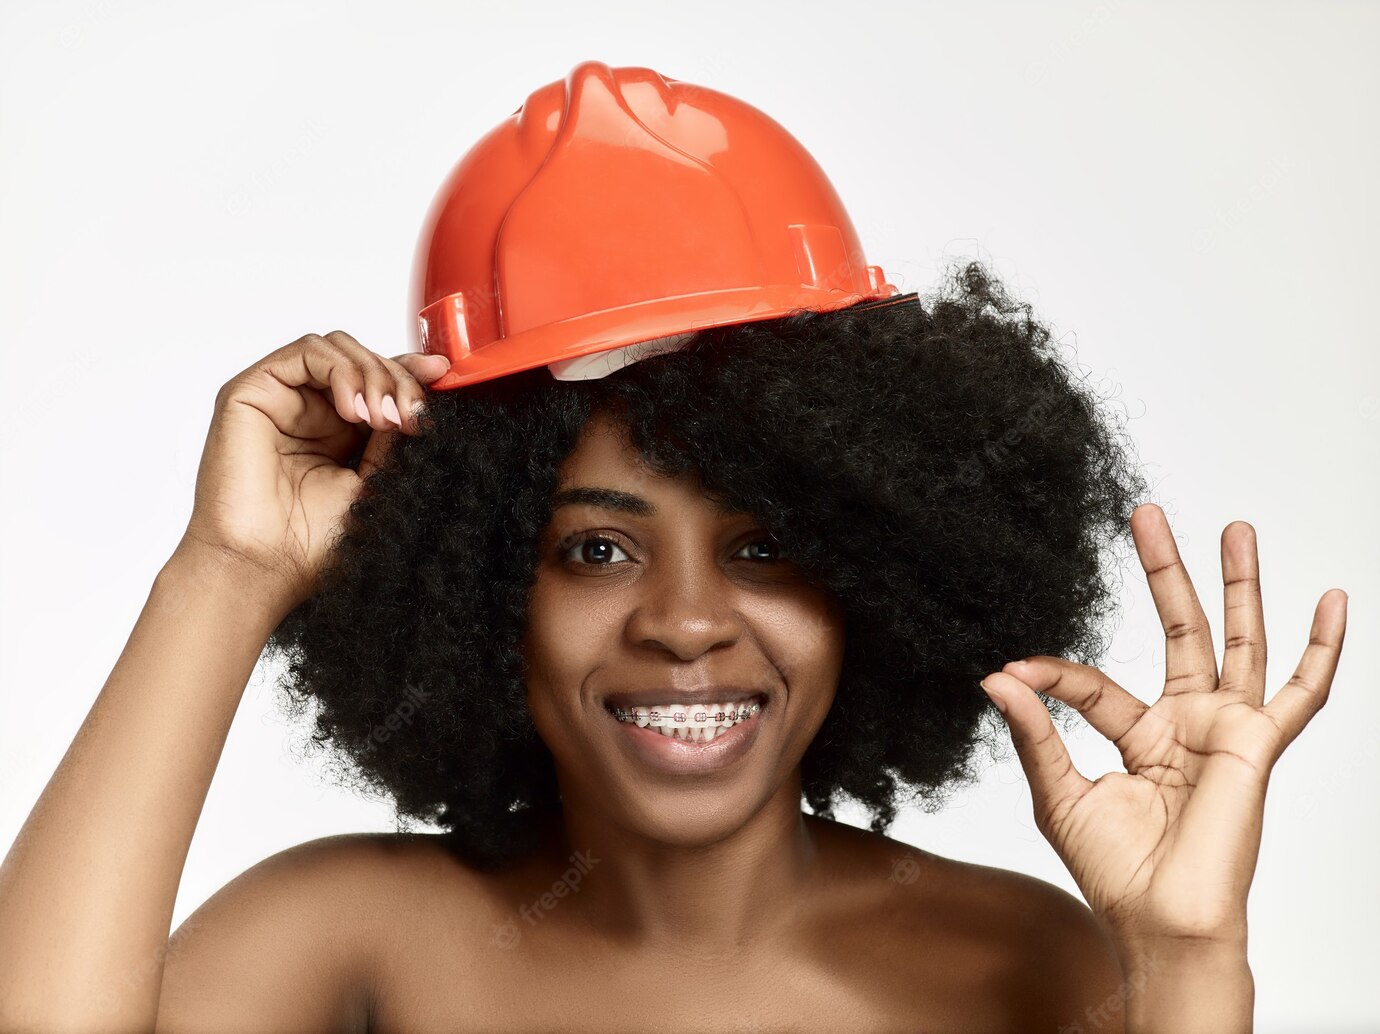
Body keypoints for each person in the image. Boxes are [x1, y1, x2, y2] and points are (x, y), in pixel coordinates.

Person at [0, 63, 1348, 1033]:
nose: (687, 620)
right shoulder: (357, 937)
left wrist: (1185, 963)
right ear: (482, 589)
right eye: (595, 551)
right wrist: (226, 574)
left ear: (876, 582)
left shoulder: (1029, 966)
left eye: (764, 549)